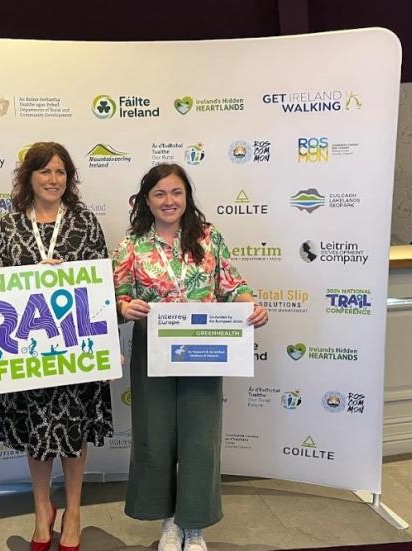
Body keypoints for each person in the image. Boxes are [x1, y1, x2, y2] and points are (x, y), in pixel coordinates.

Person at [111, 163, 268, 551]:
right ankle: (169, 521)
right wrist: (123, 307)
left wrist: (252, 305)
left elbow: (232, 284)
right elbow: (116, 294)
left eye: (176, 192)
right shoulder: (133, 243)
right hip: (154, 351)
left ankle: (194, 524)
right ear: (146, 199)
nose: (169, 201)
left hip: (205, 349)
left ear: (187, 196)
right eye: (160, 193)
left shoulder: (208, 237)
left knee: (200, 438)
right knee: (157, 435)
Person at [0, 142, 113, 551]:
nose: (53, 179)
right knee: (35, 433)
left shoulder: (85, 224)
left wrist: (69, 278)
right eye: (44, 172)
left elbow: (102, 287)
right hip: (27, 353)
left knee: (73, 432)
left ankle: (73, 511)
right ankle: (43, 509)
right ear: (28, 178)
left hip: (73, 351)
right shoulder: (8, 228)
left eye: (60, 172)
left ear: (68, 178)